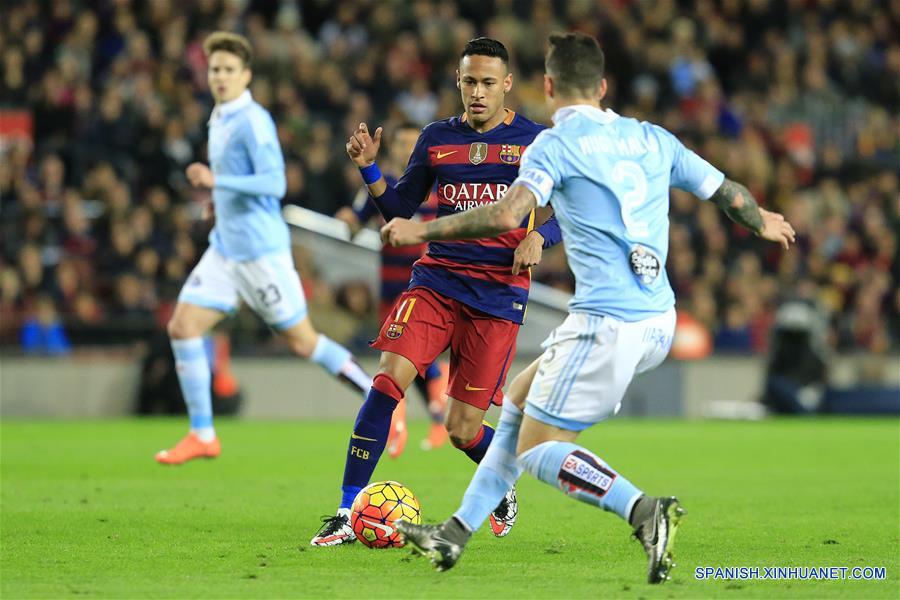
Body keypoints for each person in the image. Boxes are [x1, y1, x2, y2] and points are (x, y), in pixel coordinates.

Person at [387, 32, 795, 583]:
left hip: (607, 324)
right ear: (602, 87)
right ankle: (454, 532)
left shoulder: (552, 146)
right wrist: (760, 219)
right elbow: (727, 193)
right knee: (517, 402)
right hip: (660, 319)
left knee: (536, 451)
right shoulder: (652, 138)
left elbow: (507, 215)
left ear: (548, 86)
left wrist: (422, 230)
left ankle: (644, 510)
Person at [310, 38, 563, 546]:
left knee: (462, 429)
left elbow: (571, 207)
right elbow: (400, 210)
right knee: (387, 383)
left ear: (507, 84)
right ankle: (345, 511)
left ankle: (501, 477)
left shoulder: (537, 141)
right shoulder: (436, 137)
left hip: (497, 293)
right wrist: (369, 169)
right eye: (470, 82)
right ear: (458, 81)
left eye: (488, 83)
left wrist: (541, 235)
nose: (478, 92)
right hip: (437, 280)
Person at [156, 32, 372, 465]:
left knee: (303, 342)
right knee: (183, 326)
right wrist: (218, 203)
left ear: (246, 75)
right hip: (226, 249)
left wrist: (217, 182)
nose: (220, 76)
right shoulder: (219, 115)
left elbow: (274, 183)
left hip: (260, 253)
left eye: (228, 69)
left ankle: (379, 399)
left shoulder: (254, 121)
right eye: (214, 69)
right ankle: (202, 434)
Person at [335, 123, 449, 456]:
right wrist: (348, 222)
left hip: (430, 285)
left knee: (413, 358)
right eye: (402, 143)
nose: (408, 149)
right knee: (401, 360)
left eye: (414, 143)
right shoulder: (380, 184)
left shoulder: (440, 184)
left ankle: (409, 425)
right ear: (393, 147)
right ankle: (428, 419)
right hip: (392, 289)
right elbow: (354, 225)